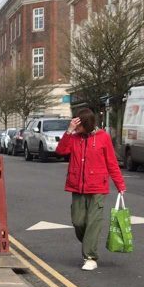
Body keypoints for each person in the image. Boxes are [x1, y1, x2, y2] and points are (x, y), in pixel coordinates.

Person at [55, 108, 127, 271]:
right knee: (78, 222)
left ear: (87, 124)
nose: (76, 127)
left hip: (97, 188)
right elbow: (60, 151)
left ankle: (90, 257)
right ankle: (89, 243)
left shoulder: (103, 137)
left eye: (78, 125)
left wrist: (120, 185)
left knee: (93, 223)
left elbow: (111, 163)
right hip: (77, 186)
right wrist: (69, 131)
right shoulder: (73, 137)